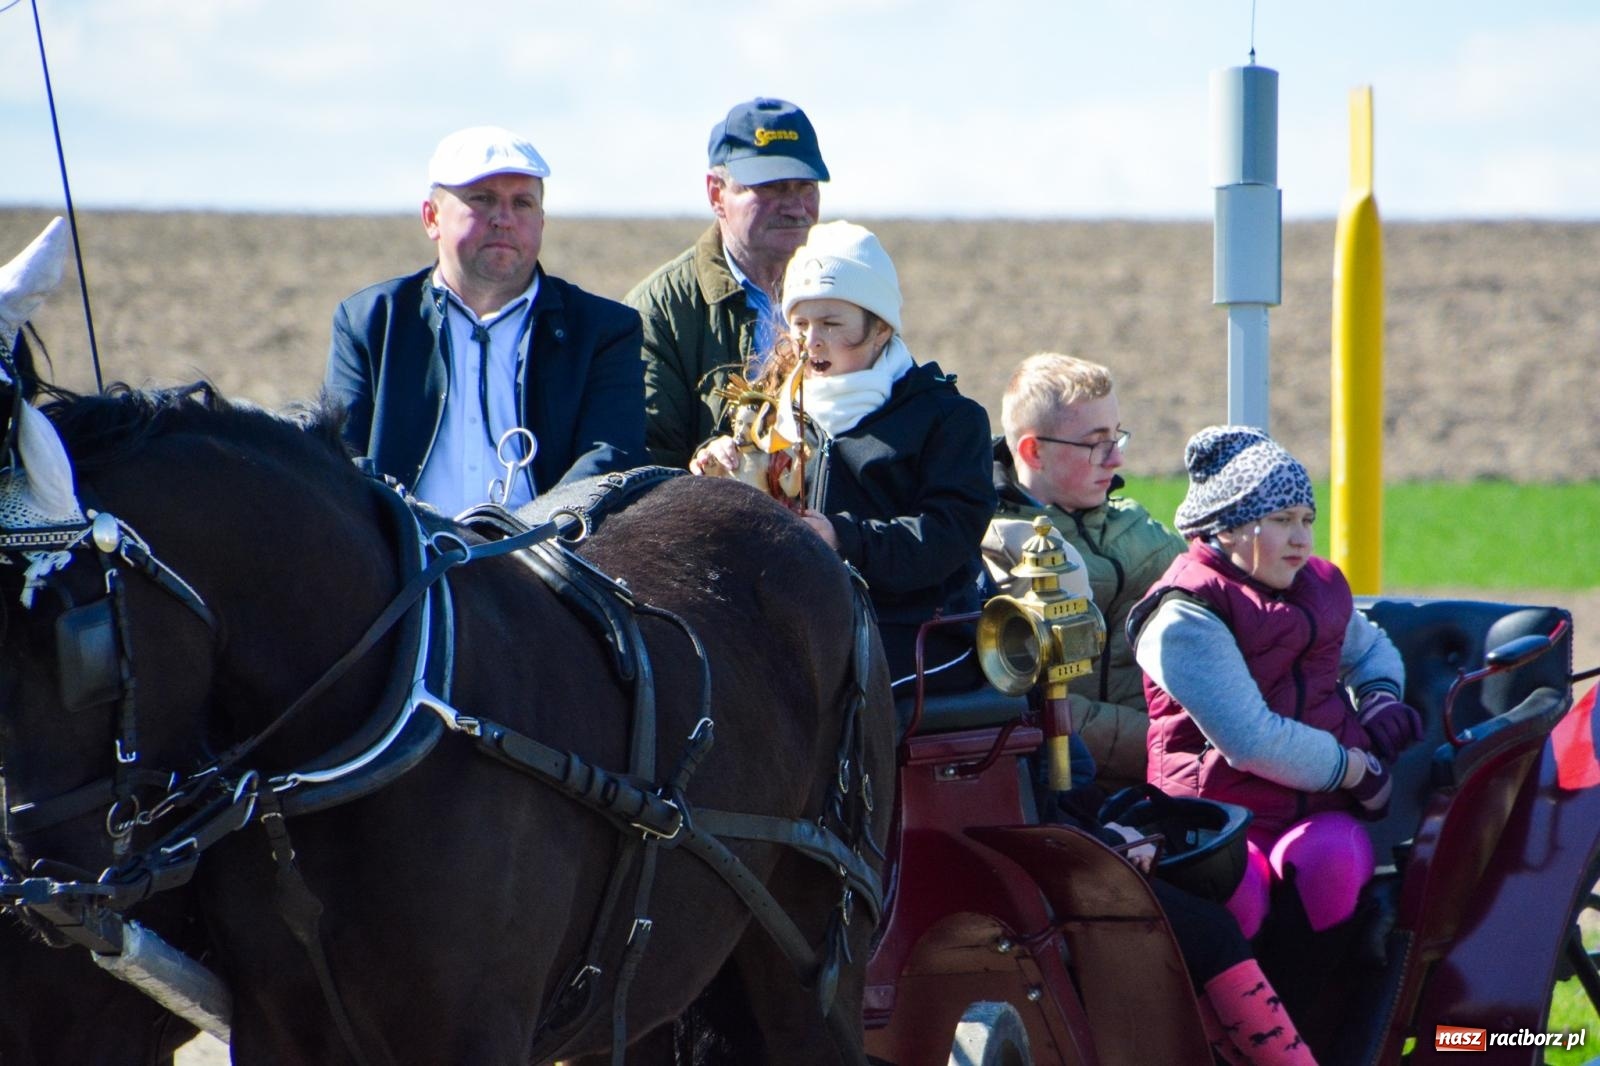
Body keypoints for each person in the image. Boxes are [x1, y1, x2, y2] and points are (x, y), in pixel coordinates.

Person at [1127, 425, 1423, 1033]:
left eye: (1307, 518)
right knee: (1245, 890)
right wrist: (1357, 768)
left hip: (1314, 808)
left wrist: (1379, 699)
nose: (1302, 538)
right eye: (1283, 519)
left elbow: (1373, 649)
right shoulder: (1183, 615)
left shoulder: (1319, 583)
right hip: (1216, 818)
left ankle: (1314, 1032)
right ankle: (1239, 1043)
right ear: (1230, 526)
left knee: (1336, 860)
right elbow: (1250, 738)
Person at [689, 221, 995, 696]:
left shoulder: (950, 420)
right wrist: (716, 463)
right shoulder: (769, 409)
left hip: (915, 634)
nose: (812, 341)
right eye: (802, 324)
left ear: (881, 328)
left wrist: (842, 537)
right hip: (791, 619)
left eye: (833, 324)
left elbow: (947, 536)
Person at [324, 126, 644, 516]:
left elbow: (610, 458)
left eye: (522, 203)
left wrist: (524, 542)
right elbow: (338, 462)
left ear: (541, 220)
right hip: (405, 562)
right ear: (432, 218)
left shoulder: (603, 331)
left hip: (548, 561)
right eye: (483, 200)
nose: (504, 219)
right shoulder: (372, 322)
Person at [983, 353, 1185, 792]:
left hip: (1171, 774)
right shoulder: (996, 549)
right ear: (1033, 451)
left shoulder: (1140, 529)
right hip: (1070, 790)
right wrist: (1183, 748)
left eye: (1117, 437)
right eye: (1096, 443)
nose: (1116, 461)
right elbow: (1049, 707)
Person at [627, 98, 827, 469]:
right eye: (772, 188)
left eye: (806, 186)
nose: (796, 207)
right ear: (717, 194)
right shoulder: (660, 312)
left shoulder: (845, 291)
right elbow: (647, 463)